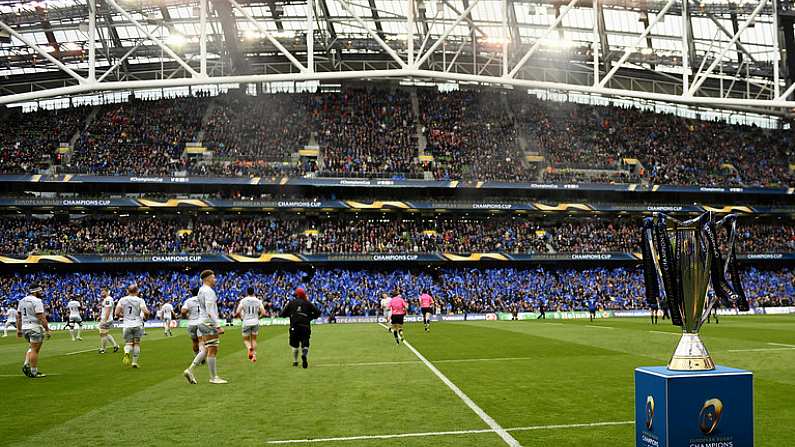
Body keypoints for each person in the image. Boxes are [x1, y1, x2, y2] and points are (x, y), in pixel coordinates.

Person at [183, 270, 227, 385]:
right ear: (207, 279)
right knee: (212, 349)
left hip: (201, 322)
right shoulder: (209, 291)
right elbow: (210, 310)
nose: (215, 280)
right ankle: (213, 377)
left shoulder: (201, 291)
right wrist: (217, 325)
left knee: (206, 349)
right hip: (208, 323)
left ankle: (190, 370)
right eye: (213, 277)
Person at [279, 287, 320, 369]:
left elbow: (282, 314)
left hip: (294, 326)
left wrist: (291, 315)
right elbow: (318, 312)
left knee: (295, 344)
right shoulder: (307, 303)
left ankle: (295, 361)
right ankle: (304, 354)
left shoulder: (291, 303)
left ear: (296, 295)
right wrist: (310, 317)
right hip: (305, 326)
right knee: (305, 342)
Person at [17, 286, 51, 378]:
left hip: (25, 327)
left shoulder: (22, 300)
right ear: (35, 292)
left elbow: (19, 316)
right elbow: (41, 317)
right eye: (40, 291)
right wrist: (47, 329)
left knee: (31, 347)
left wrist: (19, 329)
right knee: (35, 350)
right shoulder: (37, 301)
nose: (42, 292)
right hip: (35, 327)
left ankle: (26, 364)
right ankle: (33, 371)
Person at [115, 284, 149, 368]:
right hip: (137, 324)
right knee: (136, 343)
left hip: (127, 325)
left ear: (127, 291)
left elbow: (116, 313)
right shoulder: (140, 300)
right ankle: (134, 362)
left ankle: (126, 353)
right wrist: (145, 318)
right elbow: (146, 312)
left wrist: (124, 316)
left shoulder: (122, 300)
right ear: (137, 291)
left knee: (129, 343)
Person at [235, 287, 267, 363]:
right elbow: (263, 313)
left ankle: (249, 348)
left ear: (247, 292)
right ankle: (254, 356)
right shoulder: (258, 301)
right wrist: (259, 318)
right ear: (254, 292)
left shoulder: (243, 300)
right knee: (254, 339)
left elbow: (237, 312)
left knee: (246, 340)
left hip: (246, 321)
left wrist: (241, 318)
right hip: (255, 321)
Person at [181, 288, 203, 360]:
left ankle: (197, 357)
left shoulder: (188, 301)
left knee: (194, 341)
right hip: (201, 322)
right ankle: (201, 357)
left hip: (192, 323)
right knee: (201, 340)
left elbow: (183, 311)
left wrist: (186, 317)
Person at [98, 288, 119, 354]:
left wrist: (105, 320)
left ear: (107, 292)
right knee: (105, 334)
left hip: (107, 319)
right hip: (106, 319)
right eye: (101, 292)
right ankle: (115, 345)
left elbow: (108, 310)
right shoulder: (106, 299)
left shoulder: (108, 299)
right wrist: (100, 317)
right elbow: (105, 310)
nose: (101, 293)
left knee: (103, 334)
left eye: (103, 292)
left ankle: (103, 349)